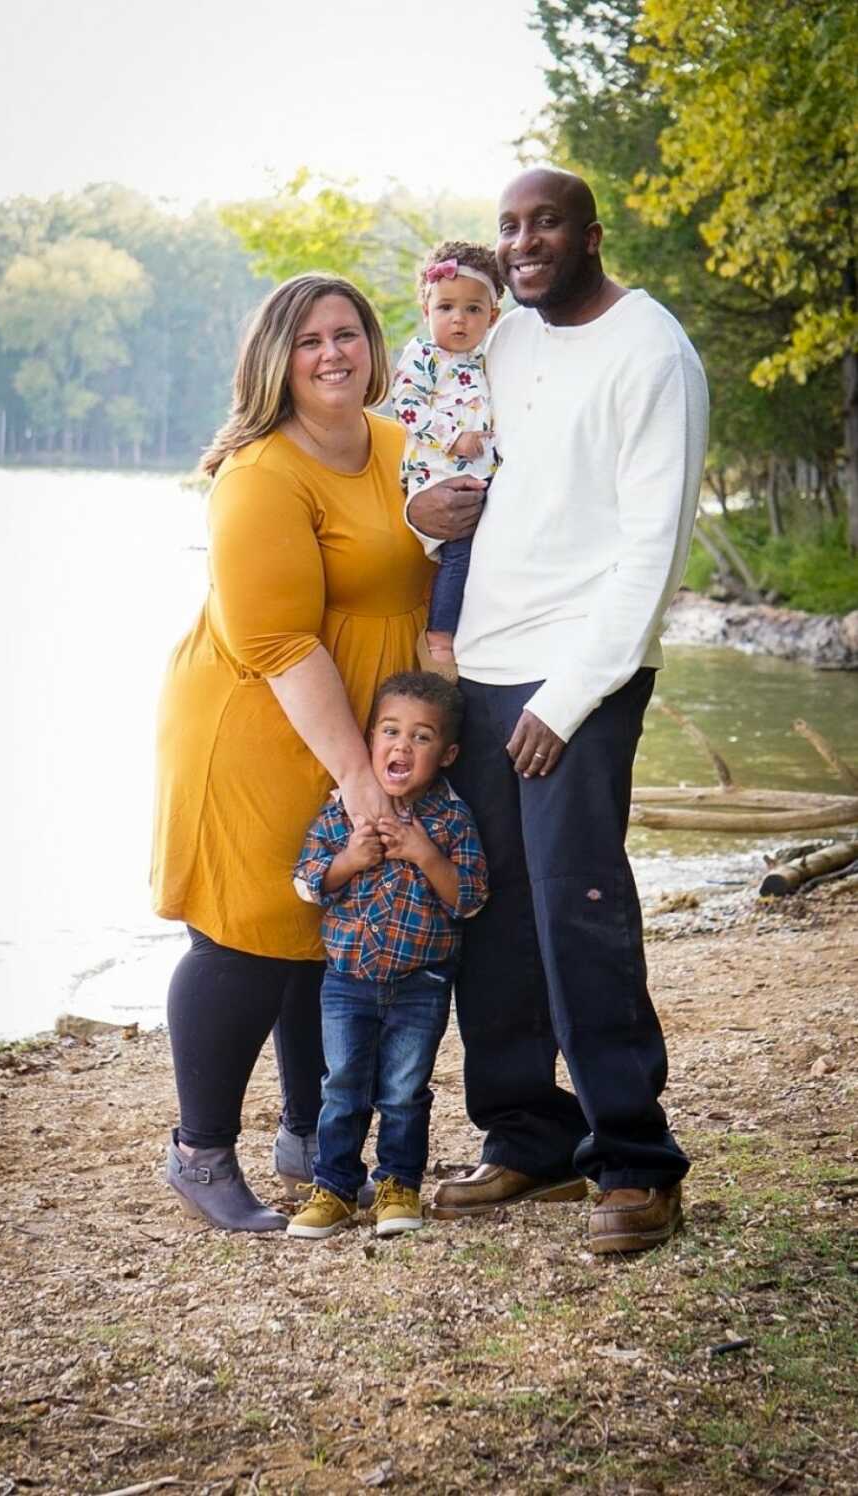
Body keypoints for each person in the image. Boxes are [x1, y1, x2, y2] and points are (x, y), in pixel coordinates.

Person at [407, 167, 709, 1254]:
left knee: (577, 909)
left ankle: (634, 1159)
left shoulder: (652, 353)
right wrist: (413, 510)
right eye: (508, 227)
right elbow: (442, 430)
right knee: (489, 911)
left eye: (543, 224)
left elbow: (651, 550)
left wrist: (571, 696)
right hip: (484, 665)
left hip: (580, 675)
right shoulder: (509, 337)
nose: (523, 242)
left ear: (590, 232)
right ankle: (530, 1133)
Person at [152, 274, 433, 1232]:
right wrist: (360, 778)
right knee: (249, 930)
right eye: (309, 339)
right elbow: (278, 643)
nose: (333, 354)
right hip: (261, 721)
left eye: (347, 333)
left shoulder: (399, 447)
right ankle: (198, 1151)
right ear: (276, 359)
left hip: (363, 723)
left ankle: (312, 1132)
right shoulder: (262, 474)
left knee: (325, 931)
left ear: (372, 345)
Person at [286, 671, 488, 1240]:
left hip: (423, 981)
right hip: (347, 980)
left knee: (404, 1090)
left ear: (446, 754)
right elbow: (307, 882)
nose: (403, 746)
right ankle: (335, 1189)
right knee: (343, 1085)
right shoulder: (342, 811)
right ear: (369, 738)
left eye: (421, 738)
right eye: (391, 731)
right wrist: (349, 859)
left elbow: (470, 899)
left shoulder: (450, 820)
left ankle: (399, 1183)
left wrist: (424, 853)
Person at [390, 242, 502, 679]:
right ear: (427, 310)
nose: (459, 319)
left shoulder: (484, 362)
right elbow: (407, 405)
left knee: (488, 550)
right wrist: (453, 437)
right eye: (447, 307)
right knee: (459, 550)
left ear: (492, 317)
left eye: (473, 309)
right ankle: (440, 633)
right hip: (437, 473)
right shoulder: (424, 356)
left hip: (480, 476)